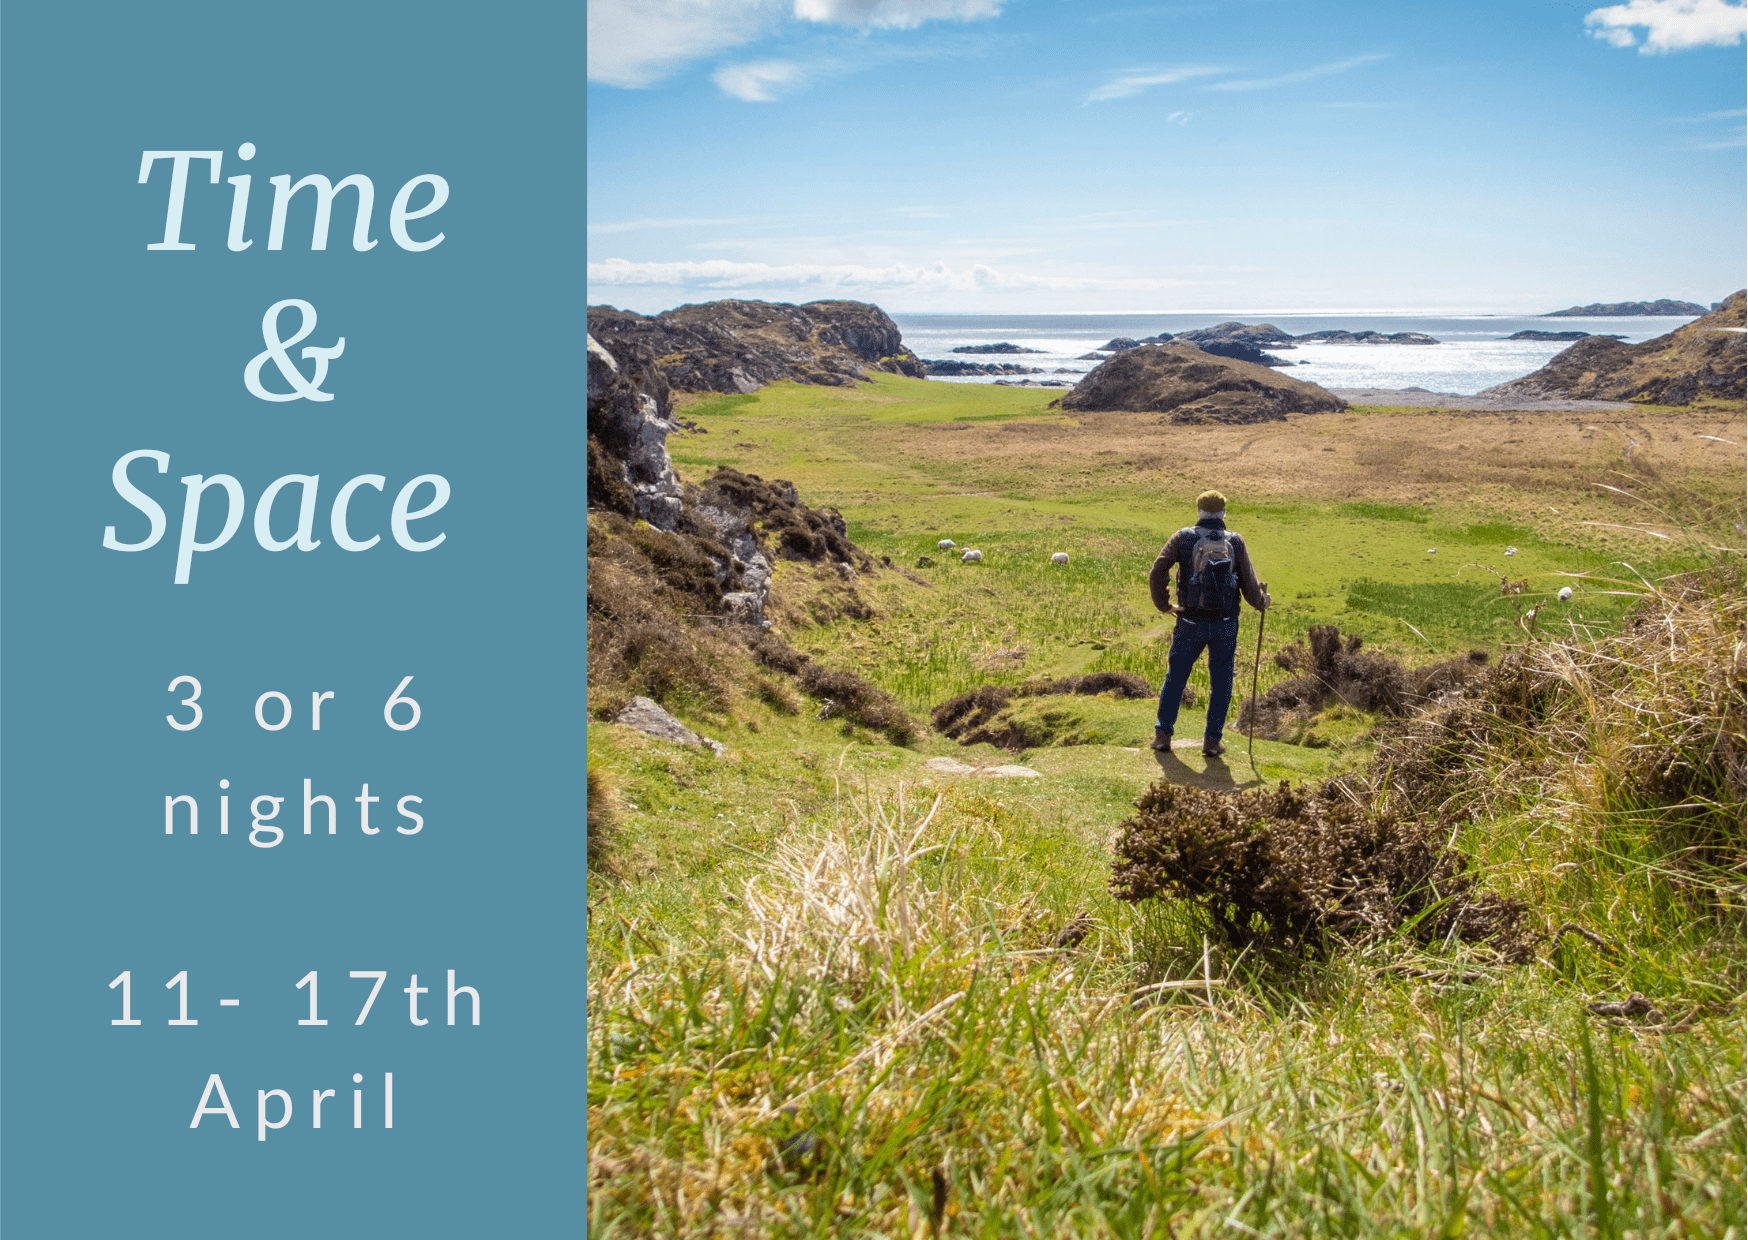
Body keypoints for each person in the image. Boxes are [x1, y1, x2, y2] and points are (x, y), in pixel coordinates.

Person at [1147, 490, 1269, 757]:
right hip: (1225, 623)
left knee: (1176, 677)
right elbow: (1249, 585)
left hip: (1189, 620)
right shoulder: (1235, 541)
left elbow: (1157, 570)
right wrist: (1262, 602)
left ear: (1199, 511)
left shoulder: (1183, 537)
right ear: (1224, 513)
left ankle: (1163, 736)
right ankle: (1212, 742)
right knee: (1222, 682)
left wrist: (1165, 605)